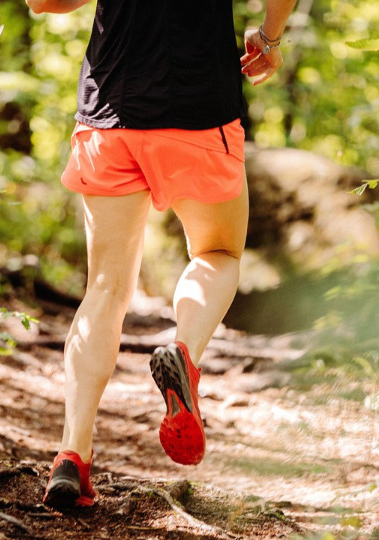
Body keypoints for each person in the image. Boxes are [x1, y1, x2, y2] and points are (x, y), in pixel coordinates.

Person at [25, 0, 297, 508]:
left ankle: (72, 455)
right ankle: (184, 355)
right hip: (201, 110)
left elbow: (42, 3)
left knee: (105, 288)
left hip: (110, 113)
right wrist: (270, 37)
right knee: (218, 251)